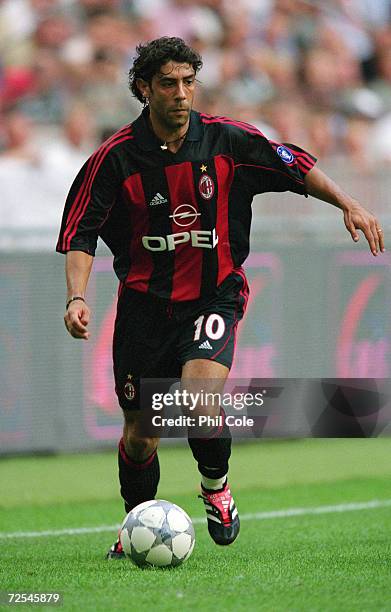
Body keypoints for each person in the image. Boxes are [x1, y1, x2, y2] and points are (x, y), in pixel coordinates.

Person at [56, 37, 385, 558]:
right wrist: (77, 296)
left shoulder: (228, 141)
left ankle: (216, 488)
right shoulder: (114, 159)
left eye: (189, 82)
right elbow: (80, 233)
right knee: (141, 435)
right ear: (144, 89)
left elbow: (294, 165)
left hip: (215, 295)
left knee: (198, 402)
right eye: (168, 83)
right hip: (143, 308)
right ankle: (135, 525)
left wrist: (348, 203)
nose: (182, 94)